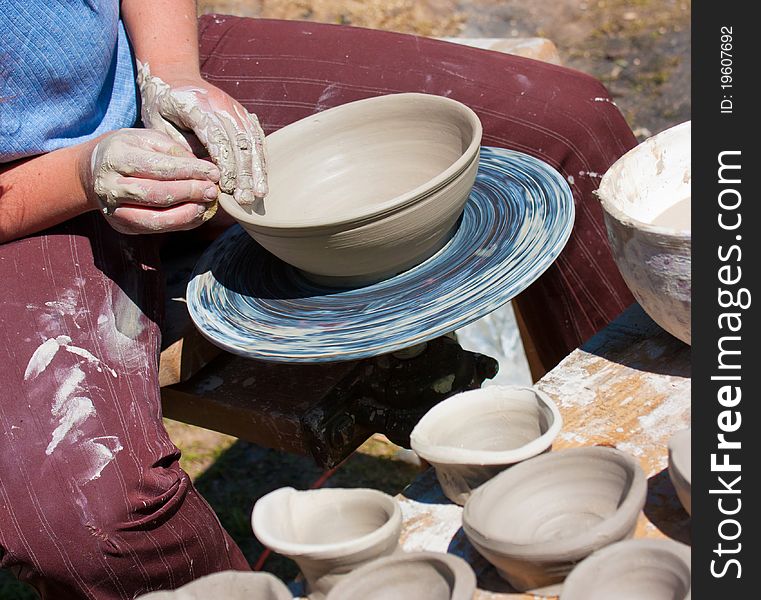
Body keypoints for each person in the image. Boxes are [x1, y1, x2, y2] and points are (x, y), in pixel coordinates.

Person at [1, 1, 636, 598]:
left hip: (129, 64)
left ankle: (636, 456)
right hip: (21, 197)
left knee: (570, 122)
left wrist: (171, 71)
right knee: (88, 525)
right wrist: (79, 178)